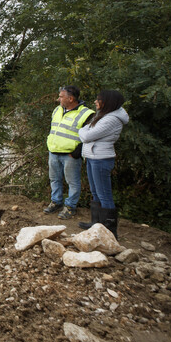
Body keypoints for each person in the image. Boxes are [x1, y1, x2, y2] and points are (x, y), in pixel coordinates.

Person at [78, 90, 128, 236]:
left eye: (98, 99)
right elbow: (87, 132)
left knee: (104, 194)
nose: (95, 102)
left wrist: (82, 130)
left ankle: (109, 232)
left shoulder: (111, 119)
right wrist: (84, 131)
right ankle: (96, 224)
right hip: (93, 156)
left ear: (107, 102)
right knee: (95, 193)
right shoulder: (103, 116)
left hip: (101, 159)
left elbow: (86, 135)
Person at [44, 86, 95, 219]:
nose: (58, 99)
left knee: (73, 182)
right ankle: (56, 202)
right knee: (54, 179)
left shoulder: (87, 114)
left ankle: (70, 207)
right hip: (54, 151)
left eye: (61, 97)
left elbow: (92, 135)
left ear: (71, 98)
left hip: (70, 155)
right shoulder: (57, 110)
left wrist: (78, 151)